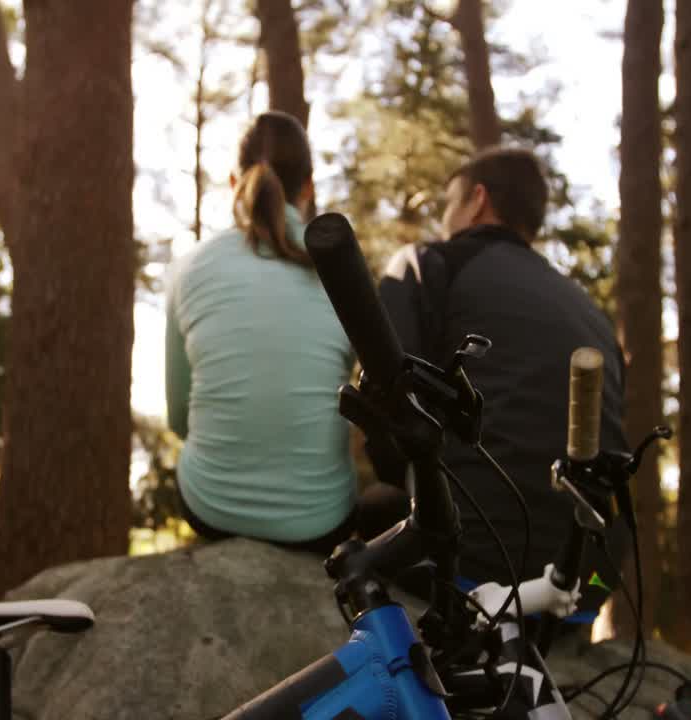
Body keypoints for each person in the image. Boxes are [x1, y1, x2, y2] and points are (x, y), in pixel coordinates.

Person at [360, 146, 628, 611]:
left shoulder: (425, 264)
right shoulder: (591, 313)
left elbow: (386, 407)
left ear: (477, 199)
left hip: (469, 573)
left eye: (449, 203)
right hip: (587, 584)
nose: (445, 219)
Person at [164, 111, 357, 555]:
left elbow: (178, 419)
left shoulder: (189, 267)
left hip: (212, 509)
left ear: (234, 182)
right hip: (322, 519)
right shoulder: (342, 269)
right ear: (308, 187)